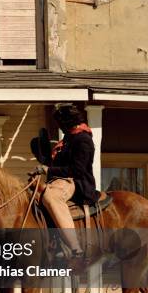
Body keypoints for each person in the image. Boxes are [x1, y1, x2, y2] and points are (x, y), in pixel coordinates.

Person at [40, 103, 99, 260]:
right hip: (59, 180)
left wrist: (49, 171)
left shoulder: (83, 140)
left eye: (60, 123)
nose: (59, 127)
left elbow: (76, 170)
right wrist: (44, 164)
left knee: (51, 197)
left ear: (67, 121)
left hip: (75, 182)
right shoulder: (69, 137)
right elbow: (58, 163)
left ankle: (74, 246)